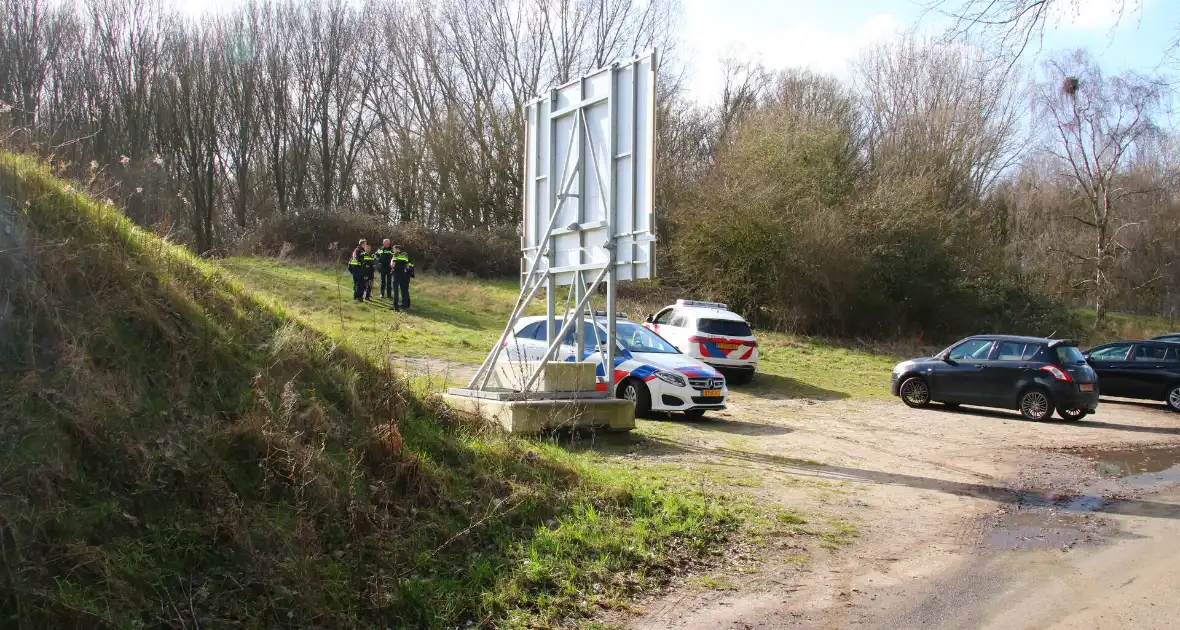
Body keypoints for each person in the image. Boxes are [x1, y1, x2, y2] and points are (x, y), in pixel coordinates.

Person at [391, 245, 414, 311]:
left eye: (394, 249)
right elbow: (406, 265)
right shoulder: (405, 254)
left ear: (397, 249)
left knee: (396, 290)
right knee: (404, 290)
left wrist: (392, 267)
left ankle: (395, 305)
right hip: (403, 274)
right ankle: (405, 305)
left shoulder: (395, 255)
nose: (393, 250)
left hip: (396, 273)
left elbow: (393, 265)